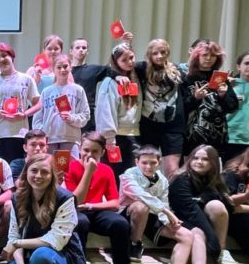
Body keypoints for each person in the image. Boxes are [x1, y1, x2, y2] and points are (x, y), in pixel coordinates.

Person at [120, 145, 226, 264]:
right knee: (141, 206)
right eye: (144, 163)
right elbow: (139, 195)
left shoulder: (162, 180)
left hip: (153, 216)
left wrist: (169, 220)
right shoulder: (129, 174)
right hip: (128, 215)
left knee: (187, 235)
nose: (148, 166)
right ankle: (135, 244)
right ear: (137, 162)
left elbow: (164, 203)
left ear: (159, 162)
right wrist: (167, 213)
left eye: (153, 163)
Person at [65, 132, 140, 264]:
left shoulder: (106, 170)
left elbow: (114, 203)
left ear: (102, 153)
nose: (89, 155)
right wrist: (88, 172)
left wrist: (91, 206)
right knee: (81, 221)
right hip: (76, 211)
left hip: (95, 210)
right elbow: (76, 201)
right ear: (80, 149)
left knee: (120, 224)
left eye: (95, 151)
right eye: (86, 150)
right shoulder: (71, 167)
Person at [167, 147, 241, 264]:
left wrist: (207, 197)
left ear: (213, 163)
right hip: (179, 217)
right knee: (198, 233)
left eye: (205, 159)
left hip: (199, 215)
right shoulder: (181, 179)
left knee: (217, 206)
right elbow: (190, 210)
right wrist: (212, 239)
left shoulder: (215, 180)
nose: (199, 162)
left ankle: (222, 251)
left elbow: (228, 205)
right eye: (195, 158)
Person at [0, 42, 41, 163]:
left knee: (16, 169)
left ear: (11, 56)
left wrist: (24, 114)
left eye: (4, 55)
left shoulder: (26, 79)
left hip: (19, 134)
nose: (1, 60)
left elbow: (38, 104)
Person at [136, 39, 186, 177]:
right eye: (155, 53)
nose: (159, 56)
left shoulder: (177, 70)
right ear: (149, 54)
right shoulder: (142, 68)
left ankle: (172, 191)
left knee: (172, 169)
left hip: (173, 126)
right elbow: (118, 66)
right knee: (146, 167)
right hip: (149, 125)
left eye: (163, 52)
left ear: (167, 53)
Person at [182, 40, 239, 156]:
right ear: (197, 56)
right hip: (191, 137)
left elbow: (233, 107)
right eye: (204, 55)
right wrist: (195, 98)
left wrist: (223, 96)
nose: (208, 58)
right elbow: (181, 108)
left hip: (217, 136)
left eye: (213, 55)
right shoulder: (187, 78)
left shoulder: (220, 78)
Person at [95, 43, 142, 179]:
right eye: (124, 60)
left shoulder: (135, 78)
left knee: (131, 178)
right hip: (116, 138)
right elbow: (106, 112)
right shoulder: (110, 83)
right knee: (116, 177)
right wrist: (110, 140)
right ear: (116, 62)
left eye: (131, 57)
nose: (129, 62)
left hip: (134, 135)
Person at [34, 54, 89, 155]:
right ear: (53, 69)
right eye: (59, 67)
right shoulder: (46, 92)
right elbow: (37, 117)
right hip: (49, 140)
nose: (62, 70)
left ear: (70, 67)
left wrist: (72, 118)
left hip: (71, 139)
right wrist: (43, 133)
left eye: (65, 66)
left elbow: (86, 114)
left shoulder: (78, 90)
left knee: (71, 165)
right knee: (49, 164)